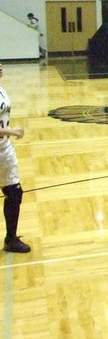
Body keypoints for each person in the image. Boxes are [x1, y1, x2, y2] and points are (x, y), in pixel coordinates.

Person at [1, 63, 31, 253]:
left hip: (4, 149)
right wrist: (11, 131)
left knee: (14, 192)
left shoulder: (1, 89)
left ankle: (11, 239)